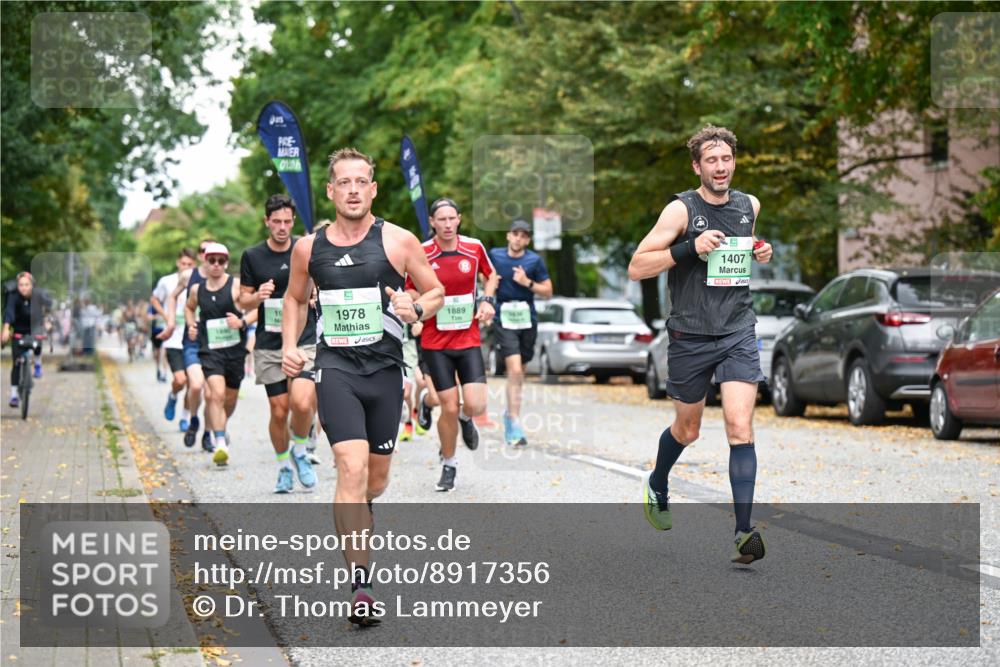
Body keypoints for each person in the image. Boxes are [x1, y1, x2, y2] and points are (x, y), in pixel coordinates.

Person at [281, 147, 443, 625]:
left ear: (373, 189)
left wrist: (419, 308)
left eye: (361, 182)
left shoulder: (398, 241)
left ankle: (362, 512)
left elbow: (435, 291)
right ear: (330, 191)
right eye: (343, 182)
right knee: (349, 470)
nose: (353, 189)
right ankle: (361, 586)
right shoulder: (309, 248)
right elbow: (293, 299)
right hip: (336, 370)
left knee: (375, 480)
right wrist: (292, 344)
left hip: (385, 373)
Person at [628, 124, 774, 564]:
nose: (721, 167)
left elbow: (739, 254)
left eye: (726, 159)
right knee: (688, 430)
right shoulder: (680, 210)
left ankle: (744, 531)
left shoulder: (749, 205)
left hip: (737, 330)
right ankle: (658, 481)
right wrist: (690, 247)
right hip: (690, 334)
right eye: (711, 160)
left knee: (739, 428)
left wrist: (760, 250)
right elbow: (637, 267)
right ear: (697, 166)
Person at [406, 197, 497, 491]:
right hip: (435, 343)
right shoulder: (421, 252)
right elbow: (409, 289)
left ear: (459, 219)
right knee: (447, 406)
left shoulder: (473, 248)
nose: (447, 224)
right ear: (432, 222)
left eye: (451, 218)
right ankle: (449, 463)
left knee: (474, 404)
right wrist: (416, 313)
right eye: (440, 219)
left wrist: (486, 300)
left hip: (468, 338)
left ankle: (464, 417)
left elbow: (491, 274)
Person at [238, 193, 318, 494]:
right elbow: (242, 300)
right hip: (270, 343)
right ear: (266, 222)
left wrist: (315, 295)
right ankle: (284, 464)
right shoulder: (253, 256)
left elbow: (321, 285)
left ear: (293, 221)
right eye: (276, 222)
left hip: (304, 339)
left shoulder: (305, 248)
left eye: (287, 221)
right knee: (279, 409)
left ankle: (300, 449)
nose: (282, 227)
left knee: (301, 402)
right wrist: (257, 295)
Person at [184, 242, 254, 467]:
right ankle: (220, 442)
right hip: (210, 351)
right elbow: (188, 307)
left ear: (226, 263)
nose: (216, 265)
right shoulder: (198, 289)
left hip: (235, 352)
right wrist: (191, 325)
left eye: (220, 261)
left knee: (229, 400)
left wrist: (241, 321)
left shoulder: (236, 286)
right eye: (211, 260)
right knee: (216, 394)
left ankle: (220, 426)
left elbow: (256, 308)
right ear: (205, 261)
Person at [489, 219, 553, 446]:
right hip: (503, 317)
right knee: (514, 369)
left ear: (528, 239)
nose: (519, 238)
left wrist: (528, 282)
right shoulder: (495, 255)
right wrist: (489, 284)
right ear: (508, 235)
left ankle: (510, 413)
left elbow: (548, 291)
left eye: (524, 235)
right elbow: (483, 275)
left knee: (520, 372)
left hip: (527, 319)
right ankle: (514, 420)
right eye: (515, 234)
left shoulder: (534, 260)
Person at [164, 240, 215, 451]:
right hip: (192, 339)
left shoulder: (225, 278)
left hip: (215, 342)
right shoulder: (188, 275)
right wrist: (172, 320)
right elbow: (172, 297)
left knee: (213, 394)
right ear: (200, 255)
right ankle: (192, 419)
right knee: (194, 385)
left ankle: (209, 434)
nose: (207, 256)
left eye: (212, 252)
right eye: (203, 251)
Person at [153, 248, 198, 429]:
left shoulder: (199, 280)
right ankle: (172, 395)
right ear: (178, 263)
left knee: (193, 383)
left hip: (193, 339)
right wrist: (167, 317)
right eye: (183, 263)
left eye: (189, 264)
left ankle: (185, 418)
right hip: (173, 338)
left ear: (194, 264)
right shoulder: (167, 281)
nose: (186, 267)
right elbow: (155, 299)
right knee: (181, 380)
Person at [2, 272, 43, 406]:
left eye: (26, 285)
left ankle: (37, 362)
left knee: (39, 340)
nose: (23, 288)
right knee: (16, 363)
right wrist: (6, 329)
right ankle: (14, 395)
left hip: (33, 329)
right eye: (21, 285)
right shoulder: (14, 297)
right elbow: (9, 312)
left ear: (32, 286)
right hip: (18, 331)